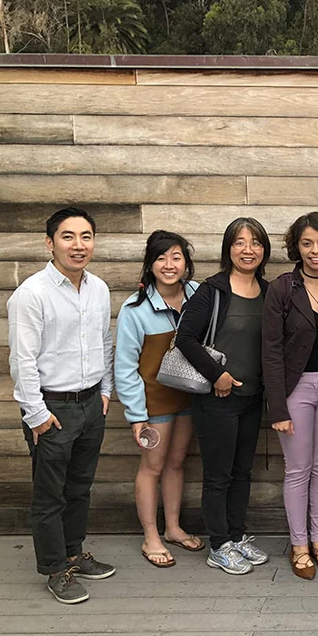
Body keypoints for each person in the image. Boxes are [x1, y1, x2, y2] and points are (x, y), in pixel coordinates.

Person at [7, 207, 116, 604]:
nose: (78, 245)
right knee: (49, 494)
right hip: (51, 409)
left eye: (86, 236)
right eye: (68, 236)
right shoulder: (31, 294)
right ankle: (55, 569)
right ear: (49, 242)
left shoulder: (98, 289)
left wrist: (105, 392)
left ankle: (74, 552)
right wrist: (36, 415)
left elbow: (104, 343)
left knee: (79, 488)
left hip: (91, 404)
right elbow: (22, 360)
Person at [176, 217, 272, 575]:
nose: (248, 250)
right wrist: (218, 375)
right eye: (240, 242)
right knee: (218, 475)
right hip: (217, 399)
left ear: (264, 250)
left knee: (242, 472)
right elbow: (185, 339)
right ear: (228, 249)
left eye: (256, 243)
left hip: (253, 398)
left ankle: (236, 536)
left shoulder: (268, 290)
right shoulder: (212, 291)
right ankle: (218, 544)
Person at [263, 212, 318, 580]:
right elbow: (270, 350)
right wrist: (278, 406)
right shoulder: (283, 288)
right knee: (298, 469)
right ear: (296, 247)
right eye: (307, 243)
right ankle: (299, 545)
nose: (316, 251)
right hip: (296, 389)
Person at [115, 230, 204, 569]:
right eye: (161, 258)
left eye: (176, 257)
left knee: (177, 462)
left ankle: (173, 527)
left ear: (186, 262)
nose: (169, 265)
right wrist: (137, 415)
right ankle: (150, 535)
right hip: (154, 403)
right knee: (152, 466)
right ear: (150, 265)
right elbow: (125, 367)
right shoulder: (135, 308)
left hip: (190, 397)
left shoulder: (199, 296)